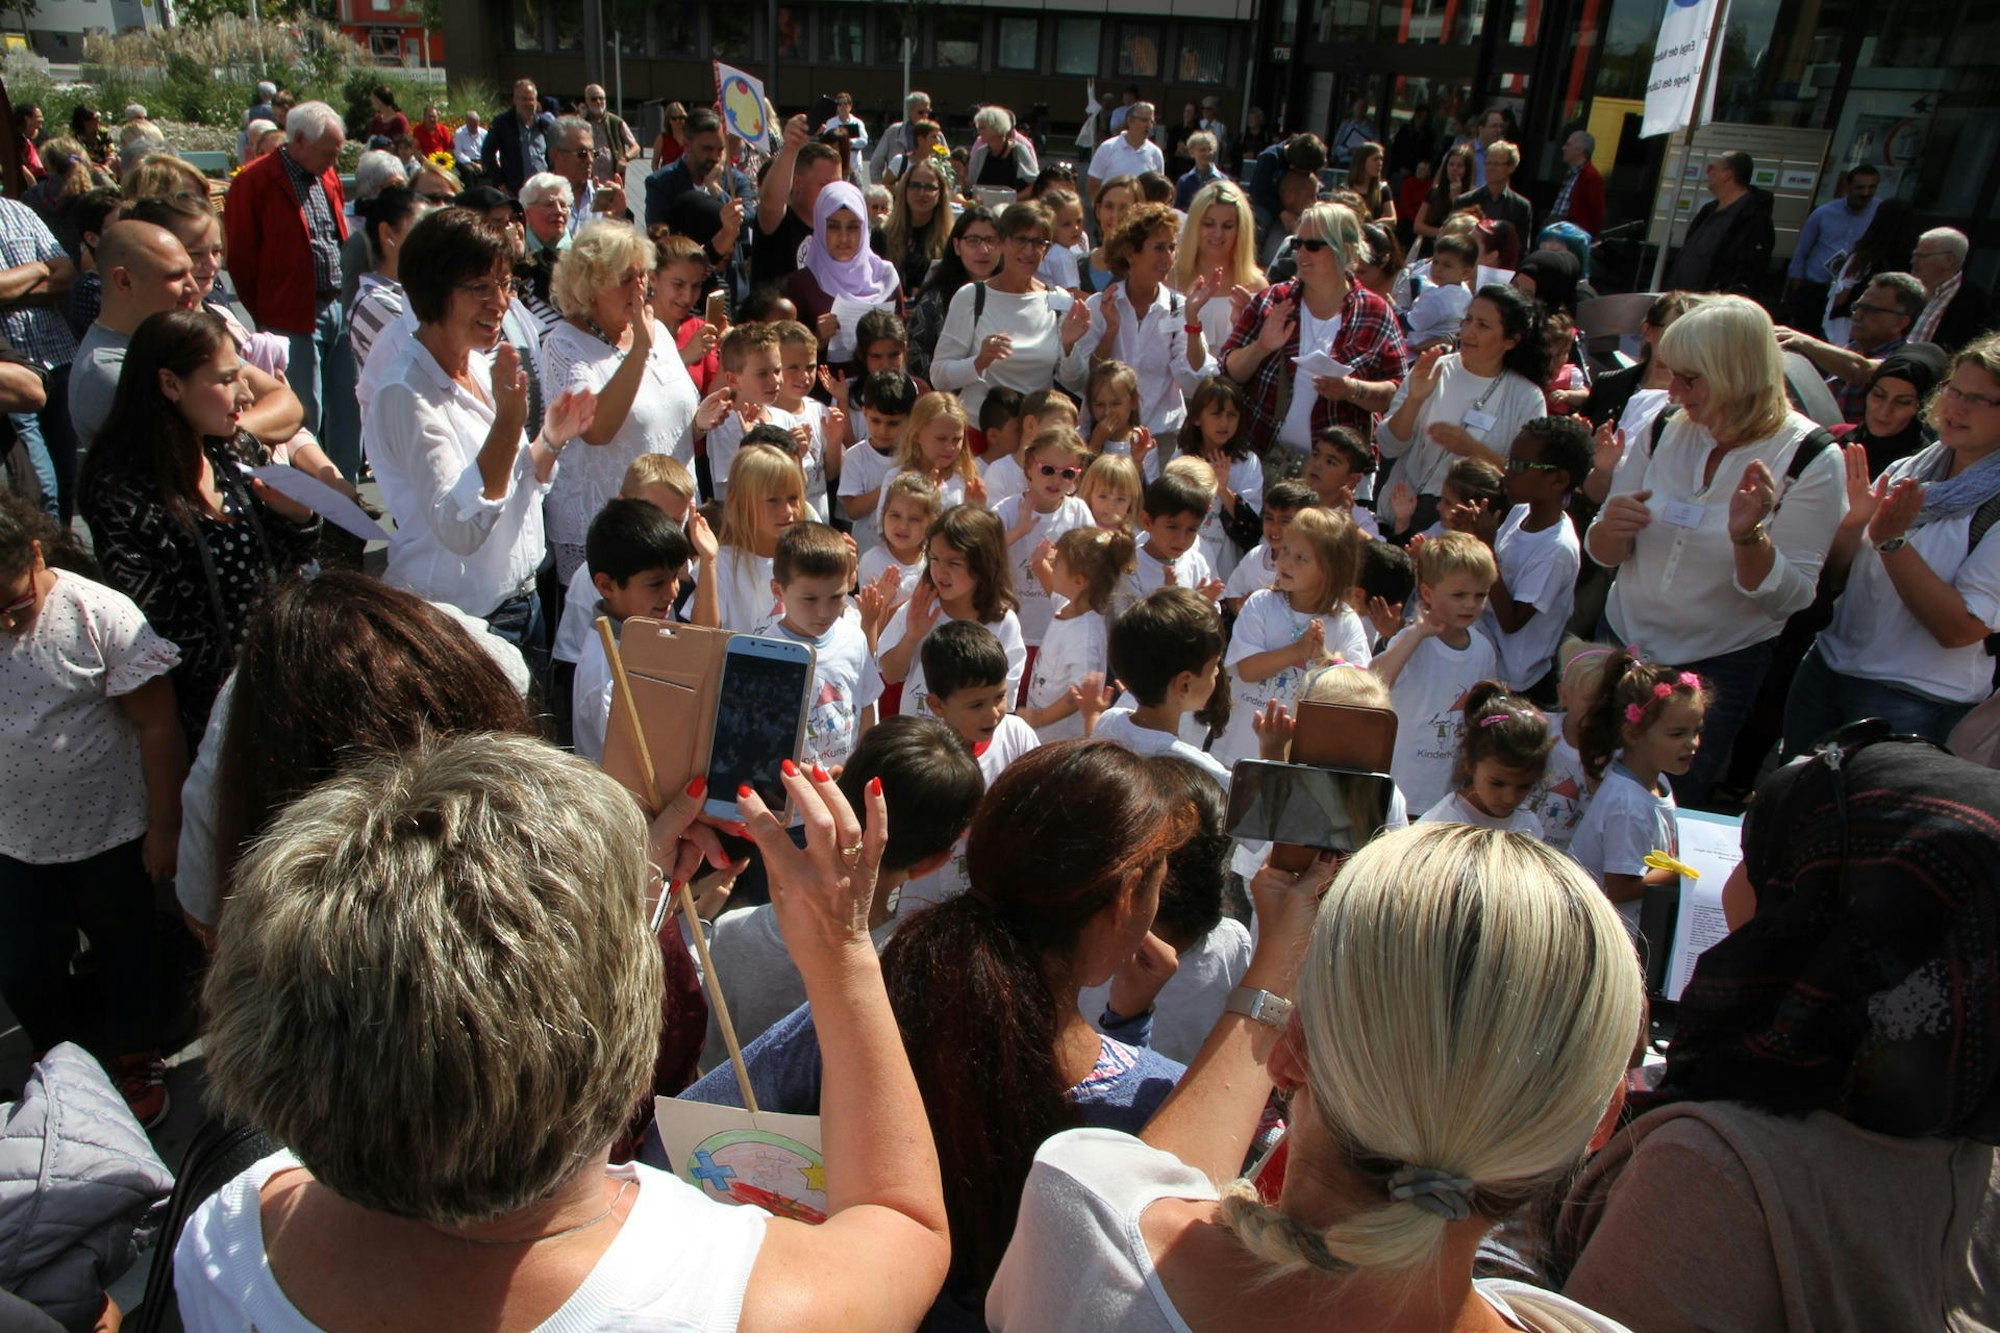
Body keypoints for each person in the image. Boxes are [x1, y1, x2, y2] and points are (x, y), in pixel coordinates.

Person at [179, 731, 954, 1331]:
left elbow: (430, 1006)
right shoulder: (733, 1303)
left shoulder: (227, 1234)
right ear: (624, 1045)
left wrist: (632, 896)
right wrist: (844, 949)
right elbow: (902, 1223)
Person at [990, 820, 1642, 1333]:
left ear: (1290, 1047)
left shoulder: (1085, 1214)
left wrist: (1275, 970)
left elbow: (1142, 1212)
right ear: (1601, 1119)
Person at [685, 741, 1193, 1326]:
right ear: (1128, 895)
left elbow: (693, 1142)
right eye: (1160, 881)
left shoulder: (868, 1015)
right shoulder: (1157, 1103)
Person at [1550, 738, 2000, 1332]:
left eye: (1755, 854)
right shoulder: (1973, 1152)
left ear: (1820, 907)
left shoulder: (1711, 1172)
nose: (1733, 877)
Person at [1584, 294, 1845, 808]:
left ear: (1737, 373)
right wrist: (1611, 528)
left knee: (1662, 808)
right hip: (1622, 643)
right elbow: (1603, 550)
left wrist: (1750, 538)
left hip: (1713, 667)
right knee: (1586, 786)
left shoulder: (1812, 458)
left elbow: (1789, 600)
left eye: (1690, 378)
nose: (1674, 392)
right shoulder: (1662, 426)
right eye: (1670, 374)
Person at [0, 491, 183, 1126]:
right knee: (25, 965)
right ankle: (61, 1064)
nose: (6, 622)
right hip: (14, 840)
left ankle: (136, 1054)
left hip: (110, 831)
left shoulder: (96, 613)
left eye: (16, 605)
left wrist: (165, 826)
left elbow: (158, 724)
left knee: (126, 950)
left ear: (35, 552)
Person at [76, 308, 319, 743]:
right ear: (170, 384)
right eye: (226, 380)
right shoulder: (119, 490)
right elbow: (160, 629)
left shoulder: (234, 449)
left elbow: (291, 563)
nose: (246, 394)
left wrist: (299, 517)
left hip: (283, 686)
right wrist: (253, 685)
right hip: (209, 719)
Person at [366, 208, 595, 647]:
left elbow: (514, 480)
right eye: (480, 288)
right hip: (462, 624)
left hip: (519, 604)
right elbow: (461, 526)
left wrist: (550, 438)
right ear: (433, 292)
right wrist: (509, 424)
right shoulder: (405, 393)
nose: (501, 302)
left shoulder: (474, 362)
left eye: (505, 285)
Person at [1781, 334, 2000, 752]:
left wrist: (1892, 543)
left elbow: (1960, 630)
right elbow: (1839, 579)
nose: (1956, 406)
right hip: (1828, 669)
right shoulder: (1909, 468)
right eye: (1954, 389)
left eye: (1979, 399)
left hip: (1914, 700)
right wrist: (1852, 526)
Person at [543, 221, 702, 583]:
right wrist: (640, 351)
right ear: (589, 286)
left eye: (643, 275)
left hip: (668, 526)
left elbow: (675, 418)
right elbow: (596, 430)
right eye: (625, 279)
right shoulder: (565, 345)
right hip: (611, 539)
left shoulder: (656, 330)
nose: (640, 288)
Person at [1222, 202, 1409, 476]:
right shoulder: (1274, 300)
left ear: (1344, 249)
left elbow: (1397, 393)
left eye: (1312, 245)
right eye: (1298, 243)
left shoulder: (1376, 312)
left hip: (1334, 478)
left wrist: (1352, 389)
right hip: (1260, 461)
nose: (1300, 253)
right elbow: (1228, 370)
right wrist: (1261, 346)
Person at [224, 102, 360, 482]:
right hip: (292, 315)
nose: (335, 159)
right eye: (328, 151)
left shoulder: (327, 176)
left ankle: (345, 491)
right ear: (299, 140)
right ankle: (312, 503)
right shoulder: (255, 182)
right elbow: (242, 258)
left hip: (336, 305)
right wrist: (268, 311)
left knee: (349, 408)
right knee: (304, 413)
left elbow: (337, 236)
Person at [1377, 283, 1548, 531]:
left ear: (1510, 341)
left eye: (1483, 325)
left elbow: (1526, 479)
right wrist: (1414, 400)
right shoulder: (1434, 369)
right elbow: (1388, 446)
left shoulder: (1527, 397)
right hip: (1399, 515)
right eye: (1468, 319)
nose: (1468, 331)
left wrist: (1471, 449)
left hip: (1461, 532)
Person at [1217, 506, 1368, 767]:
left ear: (1331, 569)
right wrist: (1297, 652)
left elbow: (1355, 692)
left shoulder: (1345, 622)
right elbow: (1248, 669)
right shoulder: (1261, 604)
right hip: (1240, 751)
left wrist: (1324, 659)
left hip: (1302, 760)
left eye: (1301, 558)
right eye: (1285, 549)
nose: (1285, 561)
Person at [1061, 202, 1211, 452]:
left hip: (1162, 440)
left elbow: (1194, 380)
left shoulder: (1179, 307)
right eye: (1159, 248)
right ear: (1131, 253)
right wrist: (1110, 332)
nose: (1168, 257)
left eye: (1172, 248)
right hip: (1107, 440)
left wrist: (1193, 321)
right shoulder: (1100, 305)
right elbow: (1081, 381)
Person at [1372, 532, 1501, 815]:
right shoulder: (1413, 640)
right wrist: (1416, 633)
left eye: (1481, 595)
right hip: (1399, 791)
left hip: (1446, 796)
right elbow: (1372, 683)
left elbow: (1483, 714)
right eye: (1459, 595)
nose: (1471, 604)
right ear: (1428, 593)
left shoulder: (1483, 650)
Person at [930, 202, 1078, 421]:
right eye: (1020, 239)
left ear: (1046, 250)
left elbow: (1076, 381)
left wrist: (1068, 346)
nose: (1028, 250)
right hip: (981, 437)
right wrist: (979, 361)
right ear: (1001, 242)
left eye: (1038, 242)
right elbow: (939, 376)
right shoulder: (971, 297)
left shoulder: (1060, 301)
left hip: (1036, 437)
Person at [1776, 271, 1923, 423]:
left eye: (1869, 310)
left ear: (1900, 323)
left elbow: (1859, 370)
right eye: (1857, 307)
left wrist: (1802, 341)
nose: (1856, 316)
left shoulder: (1904, 360)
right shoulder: (1852, 348)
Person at [785, 180, 905, 357]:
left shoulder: (885, 276)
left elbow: (901, 341)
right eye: (833, 227)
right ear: (820, 227)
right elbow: (788, 358)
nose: (843, 237)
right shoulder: (802, 283)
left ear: (864, 229)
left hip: (879, 382)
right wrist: (816, 340)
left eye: (853, 227)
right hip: (823, 382)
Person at [1419, 684, 1553, 834]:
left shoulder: (1529, 826)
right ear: (1470, 762)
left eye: (1524, 787)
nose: (1510, 798)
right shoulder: (1441, 825)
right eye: (1497, 783)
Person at [345, 185, 432, 377]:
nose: (433, 239)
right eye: (421, 227)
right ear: (387, 233)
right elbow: (432, 362)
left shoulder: (416, 292)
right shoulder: (373, 302)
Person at [1784, 164, 1879, 339]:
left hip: (1850, 291)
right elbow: (1802, 249)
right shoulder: (1824, 213)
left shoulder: (1878, 213)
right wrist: (1796, 281)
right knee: (1804, 335)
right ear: (1848, 187)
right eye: (1860, 187)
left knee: (1835, 338)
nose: (1866, 193)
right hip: (1818, 286)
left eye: (1871, 187)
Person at [1667, 151, 1775, 300]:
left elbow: (1748, 269)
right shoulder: (1708, 210)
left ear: (1727, 175)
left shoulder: (1753, 218)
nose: (1708, 173)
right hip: (1682, 299)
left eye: (1713, 169)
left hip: (1712, 305)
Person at [1172, 181, 1266, 348]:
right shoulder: (1171, 277)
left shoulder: (1256, 285)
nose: (1218, 234)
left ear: (1240, 229)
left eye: (1227, 226)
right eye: (1208, 224)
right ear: (1195, 225)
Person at [1832, 342, 1947, 478]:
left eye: (1903, 402)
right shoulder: (1836, 442)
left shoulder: (1923, 470)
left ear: (1921, 409)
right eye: (1879, 395)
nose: (1885, 411)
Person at [755, 116, 843, 287]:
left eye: (838, 184)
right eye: (824, 185)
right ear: (797, 183)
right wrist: (791, 148)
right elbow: (770, 203)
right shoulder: (780, 223)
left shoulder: (838, 228)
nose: (833, 193)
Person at [1821, 197, 1917, 346]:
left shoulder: (1864, 256)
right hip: (1885, 331)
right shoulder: (1912, 260)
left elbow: (1840, 297)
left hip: (1848, 328)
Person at [1909, 227, 1993, 352]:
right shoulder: (1902, 288)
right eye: (1914, 255)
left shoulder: (1977, 305)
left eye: (1922, 256)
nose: (1913, 261)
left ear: (1948, 260)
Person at [881, 156, 953, 295]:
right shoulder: (882, 235)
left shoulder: (950, 241)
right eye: (915, 186)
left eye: (929, 187)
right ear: (905, 189)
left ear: (940, 194)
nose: (921, 193)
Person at [480, 77, 554, 195]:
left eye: (531, 99)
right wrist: (500, 182)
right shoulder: (503, 123)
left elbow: (553, 155)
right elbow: (487, 153)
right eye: (524, 99)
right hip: (515, 190)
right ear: (515, 100)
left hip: (542, 188)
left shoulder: (544, 125)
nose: (528, 104)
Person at [1087, 102, 1164, 213]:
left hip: (1140, 221)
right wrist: (1101, 212)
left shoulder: (1155, 153)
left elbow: (1158, 189)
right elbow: (1092, 185)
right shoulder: (1107, 148)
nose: (1148, 125)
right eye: (1144, 120)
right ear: (1130, 121)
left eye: (1151, 121)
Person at [1453, 140, 1531, 245]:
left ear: (1511, 167)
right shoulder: (1465, 201)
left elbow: (1521, 247)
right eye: (1488, 163)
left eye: (1496, 164)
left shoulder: (1521, 206)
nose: (1490, 168)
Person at [1413, 145, 1476, 254]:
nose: (1454, 169)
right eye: (1451, 164)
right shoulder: (1435, 191)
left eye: (1460, 166)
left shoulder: (1474, 195)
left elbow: (1463, 227)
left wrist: (1455, 200)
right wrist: (1442, 232)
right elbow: (1418, 226)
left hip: (1456, 251)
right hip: (1429, 248)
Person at [1543, 129, 1605, 237]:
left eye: (1568, 145)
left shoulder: (1591, 177)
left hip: (1570, 238)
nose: (1563, 148)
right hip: (1556, 233)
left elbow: (1596, 216)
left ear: (1579, 150)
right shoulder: (1571, 174)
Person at [870, 90, 935, 183]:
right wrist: (880, 190)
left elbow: (945, 161)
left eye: (927, 112)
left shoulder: (935, 134)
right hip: (897, 190)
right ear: (910, 112)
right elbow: (876, 163)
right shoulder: (894, 131)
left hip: (925, 190)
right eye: (921, 112)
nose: (925, 115)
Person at [968, 105, 1037, 192]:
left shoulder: (1018, 151)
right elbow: (971, 185)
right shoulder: (980, 153)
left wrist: (1014, 199)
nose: (978, 132)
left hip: (1013, 205)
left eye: (982, 128)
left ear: (996, 128)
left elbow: (1035, 185)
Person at [581, 84, 637, 184]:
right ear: (587, 102)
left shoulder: (615, 122)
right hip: (587, 182)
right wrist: (580, 117)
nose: (598, 102)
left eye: (601, 98)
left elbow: (635, 147)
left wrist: (625, 158)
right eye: (594, 99)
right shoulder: (581, 122)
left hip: (612, 181)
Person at [1347, 142, 1394, 224]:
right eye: (1375, 159)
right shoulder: (1347, 188)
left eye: (1381, 159)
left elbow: (1392, 219)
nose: (1380, 163)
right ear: (1362, 162)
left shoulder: (1382, 188)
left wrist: (1373, 225)